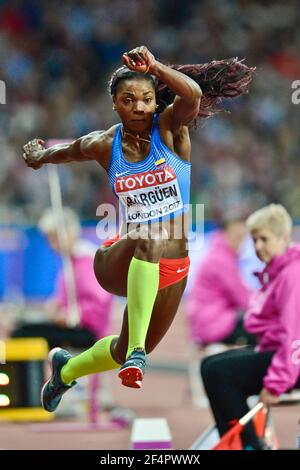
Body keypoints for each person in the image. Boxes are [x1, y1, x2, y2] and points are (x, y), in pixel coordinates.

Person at [22, 45, 254, 412]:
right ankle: (137, 352)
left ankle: (66, 372)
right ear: (114, 104)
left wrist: (156, 67)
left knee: (118, 350)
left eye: (146, 98)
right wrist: (41, 157)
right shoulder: (104, 144)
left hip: (173, 268)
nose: (140, 107)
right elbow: (69, 151)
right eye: (129, 100)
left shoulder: (172, 131)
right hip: (119, 260)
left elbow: (192, 93)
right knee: (151, 233)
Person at [201, 204, 300, 449]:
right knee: (210, 366)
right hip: (279, 354)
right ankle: (242, 443)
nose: (257, 247)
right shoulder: (277, 271)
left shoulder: (293, 274)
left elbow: (295, 337)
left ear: (284, 237)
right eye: (254, 240)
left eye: (264, 239)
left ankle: (249, 445)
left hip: (292, 361)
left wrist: (275, 384)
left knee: (219, 373)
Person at [11, 207, 114, 349]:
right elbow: (64, 299)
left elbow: (99, 303)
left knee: (22, 335)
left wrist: (71, 315)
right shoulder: (69, 262)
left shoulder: (86, 260)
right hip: (75, 326)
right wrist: (55, 305)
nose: (50, 245)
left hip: (88, 331)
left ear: (68, 234)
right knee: (22, 328)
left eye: (53, 238)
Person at [186, 218, 256, 347]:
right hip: (213, 324)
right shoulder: (221, 260)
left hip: (208, 320)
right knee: (265, 330)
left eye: (242, 238)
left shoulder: (219, 254)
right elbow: (243, 298)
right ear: (225, 233)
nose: (240, 243)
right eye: (236, 237)